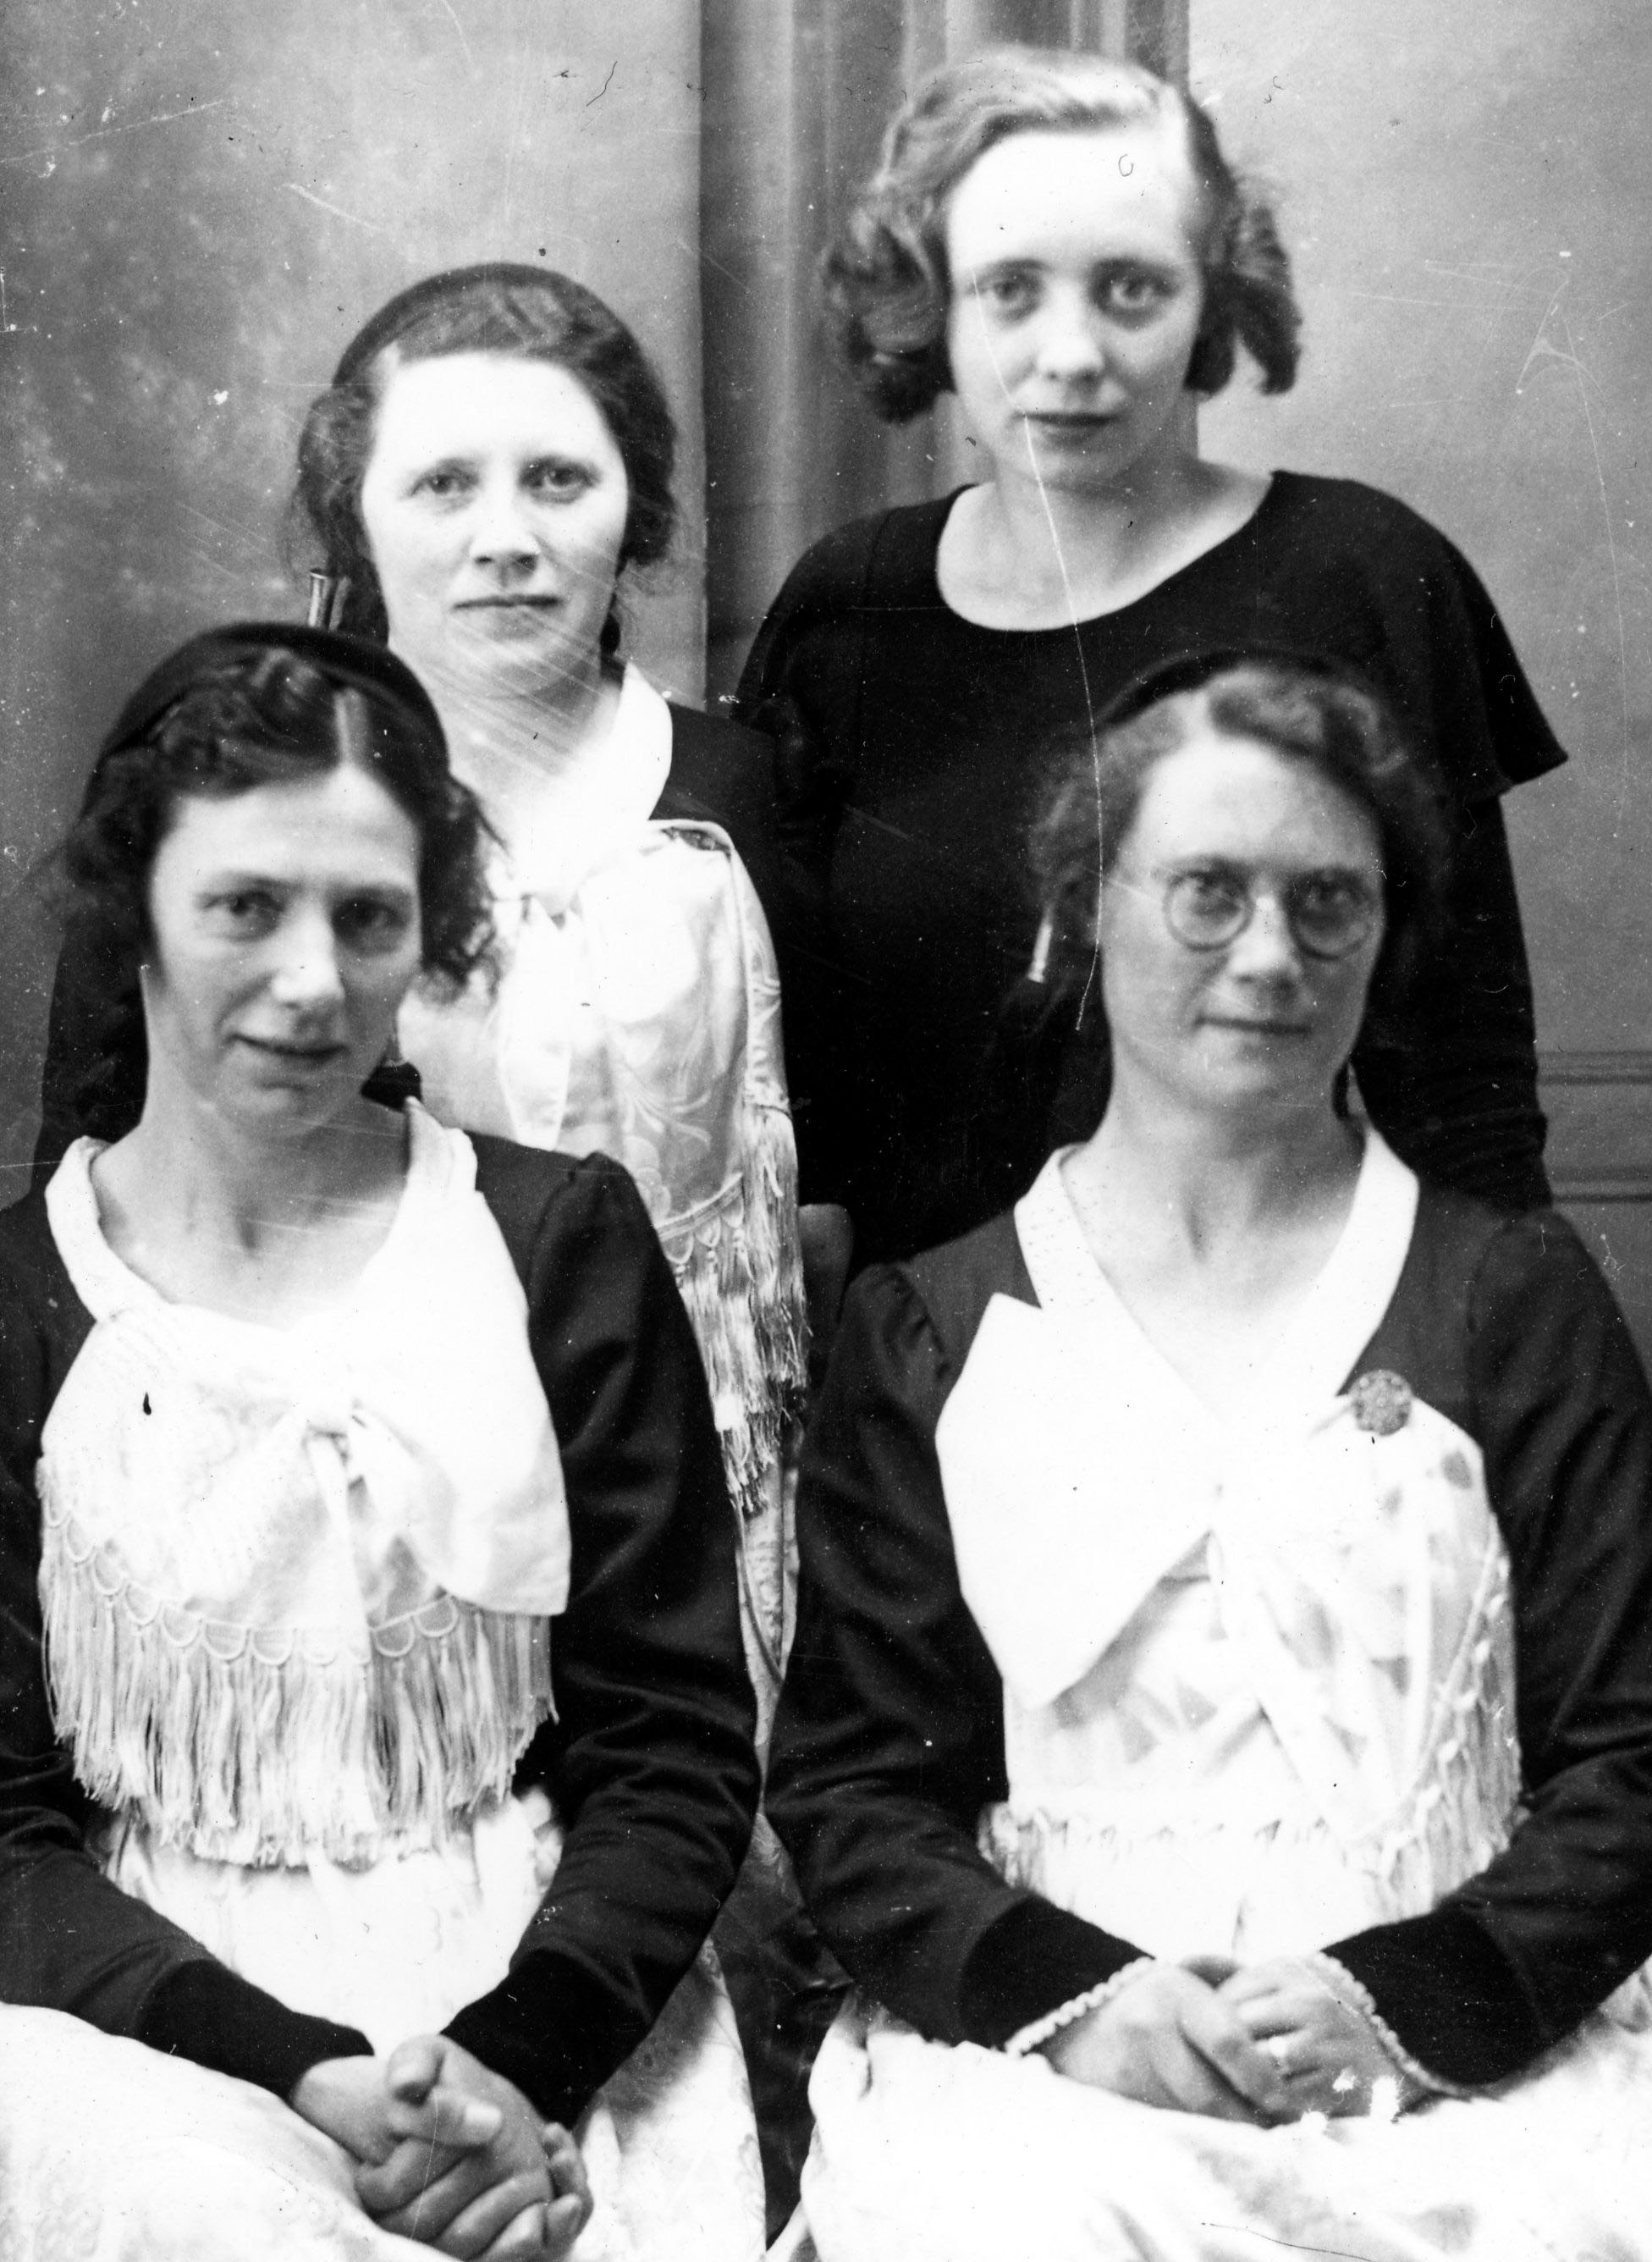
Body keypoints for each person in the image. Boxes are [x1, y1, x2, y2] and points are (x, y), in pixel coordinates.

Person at [764, 655, 1652, 2262]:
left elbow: (1635, 1753)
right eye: (1207, 893)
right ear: (1084, 910)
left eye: (1329, 902)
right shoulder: (939, 1323)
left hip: (1463, 2062)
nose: (1270, 955)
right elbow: (854, 1788)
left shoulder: (1508, 1297)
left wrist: (1405, 2006)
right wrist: (1083, 2007)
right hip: (1056, 2073)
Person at [0, 626, 764, 2260]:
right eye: (244, 907)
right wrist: (303, 2071)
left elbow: (671, 1746)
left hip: (542, 2001)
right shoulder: (23, 1296)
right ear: (135, 908)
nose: (312, 981)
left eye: (369, 917)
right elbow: (3, 1832)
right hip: (147, 2022)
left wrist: (515, 2066)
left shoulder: (552, 1239)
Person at [40, 262, 810, 1725]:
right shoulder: (244, 807)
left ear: (636, 509)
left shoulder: (740, 793)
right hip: (345, 1534)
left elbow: (813, 1199)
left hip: (692, 1521)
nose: (505, 540)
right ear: (359, 516)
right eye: (444, 483)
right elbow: (91, 1199)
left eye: (558, 480)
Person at [735, 47, 1562, 1274]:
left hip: (1271, 1325)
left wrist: (1505, 1349)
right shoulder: (848, 603)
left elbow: (1465, 1089)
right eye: (1010, 290)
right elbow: (799, 1083)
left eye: (1131, 288)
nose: (1072, 354)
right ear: (932, 308)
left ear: (1211, 299)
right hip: (922, 1349)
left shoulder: (1366, 575)